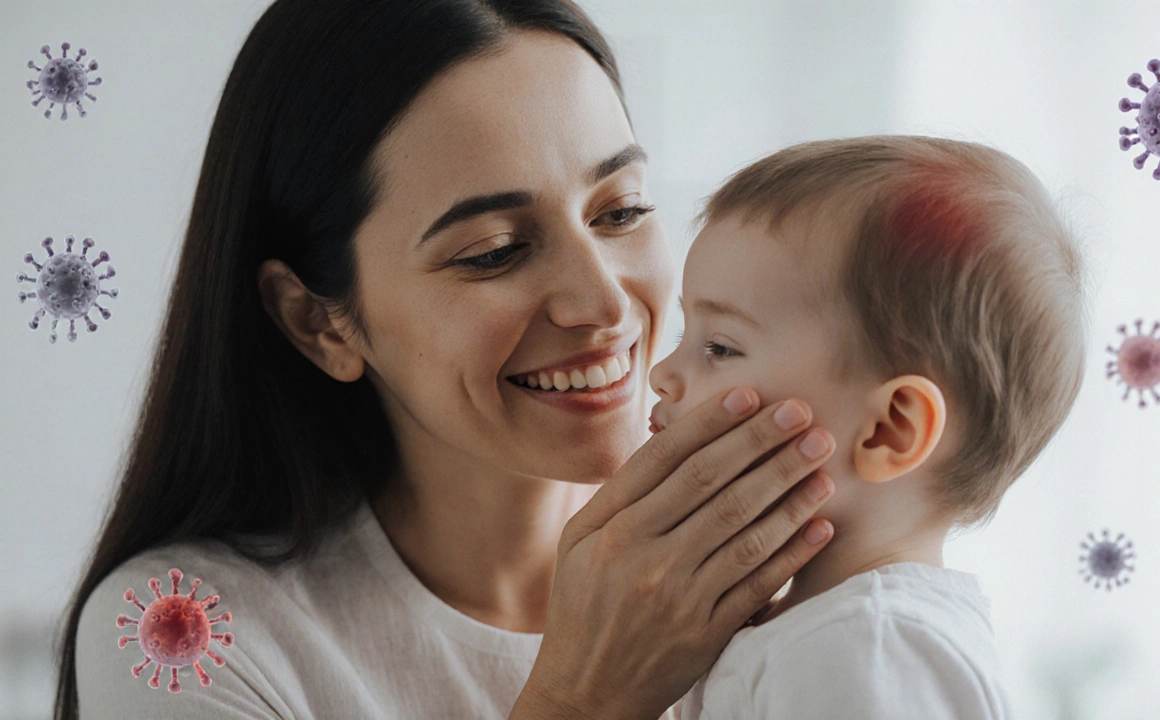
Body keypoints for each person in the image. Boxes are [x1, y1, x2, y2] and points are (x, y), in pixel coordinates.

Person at [56, 2, 842, 718]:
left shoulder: (795, 570)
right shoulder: (181, 630)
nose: (604, 305)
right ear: (318, 322)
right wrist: (585, 697)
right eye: (494, 252)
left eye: (622, 210)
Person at [651, 136, 1087, 719]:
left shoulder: (864, 646)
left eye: (720, 347)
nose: (662, 374)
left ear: (890, 431)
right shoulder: (826, 631)